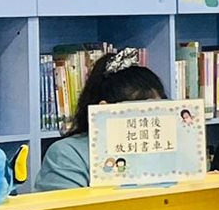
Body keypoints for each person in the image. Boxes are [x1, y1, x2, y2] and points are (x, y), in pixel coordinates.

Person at [34, 52, 167, 192]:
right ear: (105, 111)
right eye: (139, 114)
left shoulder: (167, 149)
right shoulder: (67, 153)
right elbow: (66, 205)